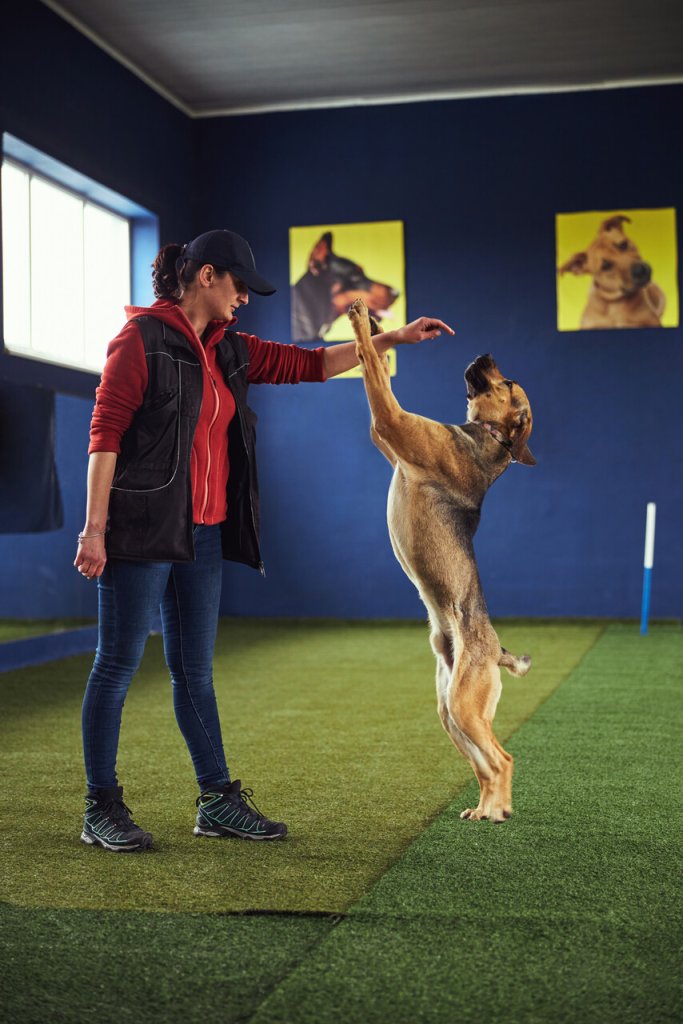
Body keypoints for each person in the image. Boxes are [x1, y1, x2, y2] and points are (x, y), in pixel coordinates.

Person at [74, 228, 454, 852]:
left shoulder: (230, 348)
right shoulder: (139, 341)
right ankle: (100, 807)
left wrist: (386, 338)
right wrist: (94, 529)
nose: (245, 298)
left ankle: (217, 802)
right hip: (140, 532)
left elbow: (311, 364)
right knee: (116, 666)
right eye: (240, 285)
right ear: (206, 276)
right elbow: (104, 436)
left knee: (193, 671)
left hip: (203, 534)